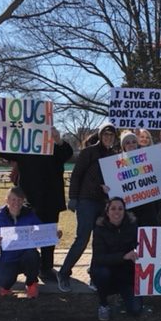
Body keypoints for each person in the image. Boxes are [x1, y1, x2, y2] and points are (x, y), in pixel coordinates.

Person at [0, 126, 73, 283]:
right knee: (26, 233)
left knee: (48, 234)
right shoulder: (24, 147)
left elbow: (68, 154)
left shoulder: (55, 146)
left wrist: (58, 139)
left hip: (51, 197)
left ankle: (46, 268)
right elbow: (3, 151)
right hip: (28, 199)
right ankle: (25, 266)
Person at [58, 123, 118, 292]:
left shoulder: (114, 156)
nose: (108, 138)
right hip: (86, 201)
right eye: (105, 135)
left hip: (103, 203)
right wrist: (73, 198)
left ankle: (94, 274)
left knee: (99, 241)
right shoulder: (89, 152)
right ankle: (63, 273)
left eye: (111, 135)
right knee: (82, 239)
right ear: (100, 136)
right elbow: (76, 175)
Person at [90, 197, 143, 321]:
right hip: (106, 271)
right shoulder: (99, 229)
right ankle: (103, 304)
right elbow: (98, 258)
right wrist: (123, 257)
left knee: (136, 310)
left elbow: (140, 247)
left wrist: (137, 254)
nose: (117, 212)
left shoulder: (133, 226)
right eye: (113, 208)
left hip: (126, 275)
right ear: (107, 212)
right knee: (102, 273)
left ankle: (122, 295)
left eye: (120, 208)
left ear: (125, 211)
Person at [0, 187, 42, 298]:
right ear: (6, 200)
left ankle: (31, 283)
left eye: (20, 199)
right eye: (13, 199)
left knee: (33, 254)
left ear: (23, 200)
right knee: (4, 283)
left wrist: (54, 234)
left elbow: (43, 231)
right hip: (9, 258)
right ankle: (6, 285)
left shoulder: (30, 214)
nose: (16, 202)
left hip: (26, 255)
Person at [120, 130, 157, 226]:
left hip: (147, 204)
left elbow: (158, 176)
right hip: (129, 205)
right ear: (123, 146)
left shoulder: (148, 158)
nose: (131, 144)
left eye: (134, 142)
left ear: (137, 143)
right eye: (127, 143)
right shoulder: (116, 163)